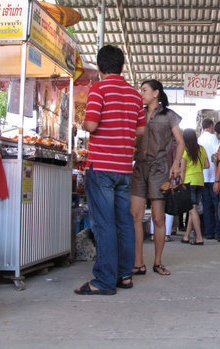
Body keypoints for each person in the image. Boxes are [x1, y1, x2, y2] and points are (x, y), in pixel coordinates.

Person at [75, 45, 145, 296]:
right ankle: (124, 276)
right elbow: (140, 130)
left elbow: (92, 124)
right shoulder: (135, 95)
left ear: (101, 68)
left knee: (104, 224)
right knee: (124, 222)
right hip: (124, 169)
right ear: (123, 66)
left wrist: (83, 122)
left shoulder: (99, 89)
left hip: (102, 167)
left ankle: (103, 281)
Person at [131, 79, 184, 276]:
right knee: (135, 216)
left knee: (157, 218)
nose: (141, 93)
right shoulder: (138, 114)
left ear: (156, 93)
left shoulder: (169, 116)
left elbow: (180, 142)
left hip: (159, 169)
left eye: (144, 90)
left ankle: (158, 262)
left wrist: (176, 163)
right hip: (139, 168)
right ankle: (138, 262)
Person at [180, 128, 209, 245]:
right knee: (194, 210)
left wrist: (181, 183)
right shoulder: (201, 149)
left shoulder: (185, 150)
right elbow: (207, 165)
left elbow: (182, 169)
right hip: (200, 181)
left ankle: (199, 238)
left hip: (189, 181)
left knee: (192, 211)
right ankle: (186, 236)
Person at [198, 118, 220, 240]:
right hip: (214, 176)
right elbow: (216, 155)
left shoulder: (199, 139)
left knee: (206, 206)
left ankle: (209, 232)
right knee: (217, 205)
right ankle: (218, 231)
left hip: (203, 177)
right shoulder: (213, 138)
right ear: (211, 126)